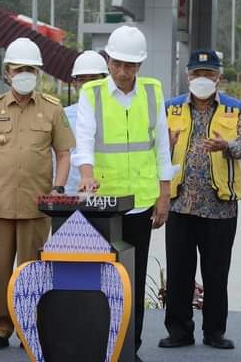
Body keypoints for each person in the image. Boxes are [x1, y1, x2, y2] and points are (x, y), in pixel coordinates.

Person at [0, 37, 75, 351]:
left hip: (36, 205)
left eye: (30, 69)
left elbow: (64, 153)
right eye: (19, 69)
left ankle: (32, 327)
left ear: (38, 72)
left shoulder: (53, 110)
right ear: (8, 73)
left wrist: (58, 187)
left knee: (32, 270)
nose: (24, 74)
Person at [73, 25, 172, 362]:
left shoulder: (152, 92)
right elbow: (83, 140)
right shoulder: (92, 94)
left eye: (130, 66)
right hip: (103, 205)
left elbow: (161, 147)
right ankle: (102, 347)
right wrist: (86, 175)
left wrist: (164, 194)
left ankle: (131, 348)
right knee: (102, 279)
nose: (122, 71)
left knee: (133, 277)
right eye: (116, 63)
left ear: (140, 66)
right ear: (108, 60)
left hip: (141, 203)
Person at [159, 49, 241, 351]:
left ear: (218, 77)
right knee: (179, 273)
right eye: (197, 74)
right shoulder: (171, 108)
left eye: (208, 74)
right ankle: (179, 331)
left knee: (216, 274)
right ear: (188, 77)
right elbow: (154, 149)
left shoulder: (235, 109)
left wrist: (228, 145)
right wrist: (164, 144)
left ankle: (214, 332)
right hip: (180, 205)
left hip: (220, 208)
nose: (202, 79)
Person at [64, 50, 108, 193]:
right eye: (83, 79)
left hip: (108, 196)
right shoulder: (62, 116)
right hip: (72, 196)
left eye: (94, 79)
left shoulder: (119, 114)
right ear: (75, 83)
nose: (88, 85)